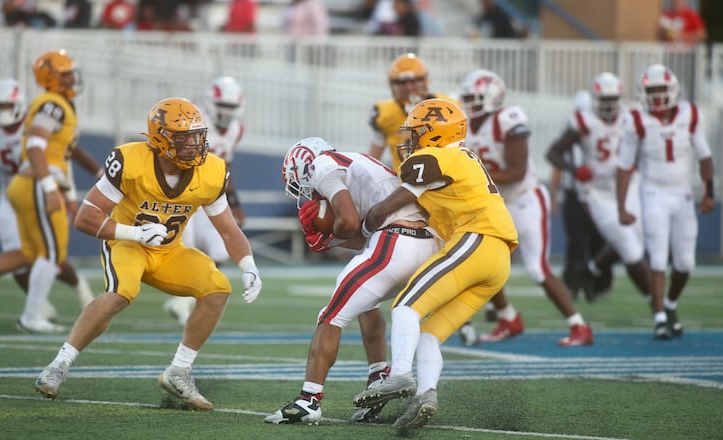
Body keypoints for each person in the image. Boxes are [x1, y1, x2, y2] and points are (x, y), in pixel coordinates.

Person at [33, 97, 263, 409]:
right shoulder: (130, 161)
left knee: (218, 288)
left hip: (169, 251)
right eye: (184, 139)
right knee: (121, 293)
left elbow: (228, 229)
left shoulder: (211, 170)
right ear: (159, 139)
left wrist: (248, 265)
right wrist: (134, 233)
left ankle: (179, 371)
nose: (194, 145)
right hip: (127, 243)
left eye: (197, 136)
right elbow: (86, 217)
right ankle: (59, 364)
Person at [354, 99, 518, 433]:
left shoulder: (437, 156)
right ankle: (426, 395)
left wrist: (368, 221)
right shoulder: (460, 156)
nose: (411, 140)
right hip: (497, 260)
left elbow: (386, 208)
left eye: (416, 133)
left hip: (476, 239)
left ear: (434, 133)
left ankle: (400, 374)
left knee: (405, 307)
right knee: (429, 335)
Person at [263, 137, 439, 425]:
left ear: (305, 167)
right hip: (425, 243)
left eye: (301, 185)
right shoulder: (358, 163)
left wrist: (330, 233)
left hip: (397, 241)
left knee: (330, 316)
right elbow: (362, 232)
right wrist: (333, 238)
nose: (307, 195)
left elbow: (348, 222)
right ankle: (378, 374)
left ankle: (309, 400)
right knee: (365, 303)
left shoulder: (322, 165)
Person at [457, 69, 594, 347]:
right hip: (494, 204)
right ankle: (507, 316)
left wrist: (472, 178)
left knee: (536, 268)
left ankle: (579, 326)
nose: (469, 103)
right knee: (482, 263)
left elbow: (517, 171)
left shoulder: (508, 119)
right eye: (467, 97)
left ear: (493, 98)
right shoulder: (463, 125)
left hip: (525, 199)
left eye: (475, 97)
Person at [0, 78, 96, 320]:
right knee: (28, 258)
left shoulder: (35, 120)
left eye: (8, 107)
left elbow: (68, 152)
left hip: (38, 188)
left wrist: (71, 192)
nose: (4, 112)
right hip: (18, 193)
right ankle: (34, 308)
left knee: (48, 253)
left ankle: (61, 293)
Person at [616, 64, 714, 340]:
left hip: (682, 195)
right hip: (653, 194)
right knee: (658, 257)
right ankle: (659, 317)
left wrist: (709, 193)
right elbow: (624, 166)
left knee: (685, 263)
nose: (657, 97)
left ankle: (670, 304)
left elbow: (705, 156)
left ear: (673, 90)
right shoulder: (637, 121)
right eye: (652, 91)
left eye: (661, 90)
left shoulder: (691, 114)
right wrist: (621, 206)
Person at [0, 50, 89, 333]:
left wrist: (68, 195)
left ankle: (33, 313)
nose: (72, 77)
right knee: (50, 252)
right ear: (51, 77)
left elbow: (59, 155)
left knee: (46, 252)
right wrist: (50, 186)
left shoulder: (58, 103)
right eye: (65, 73)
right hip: (38, 182)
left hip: (37, 181)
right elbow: (37, 146)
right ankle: (31, 315)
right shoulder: (53, 105)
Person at [547, 73, 652, 303]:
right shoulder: (581, 122)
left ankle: (593, 272)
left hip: (628, 187)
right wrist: (574, 172)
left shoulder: (632, 117)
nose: (607, 105)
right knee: (621, 244)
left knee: (635, 242)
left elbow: (648, 145)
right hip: (594, 193)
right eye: (603, 99)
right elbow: (554, 153)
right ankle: (659, 307)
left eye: (612, 98)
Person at [163, 76, 247, 327]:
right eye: (223, 105)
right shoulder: (194, 122)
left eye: (231, 107)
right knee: (184, 249)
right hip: (186, 196)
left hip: (211, 197)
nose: (226, 112)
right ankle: (184, 298)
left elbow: (225, 166)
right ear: (211, 103)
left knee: (220, 250)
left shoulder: (237, 130)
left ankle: (185, 301)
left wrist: (234, 202)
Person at [546, 90, 615, 300]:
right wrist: (554, 193)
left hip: (600, 195)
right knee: (576, 242)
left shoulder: (608, 131)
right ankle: (573, 284)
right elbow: (556, 163)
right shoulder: (572, 133)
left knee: (599, 240)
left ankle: (597, 284)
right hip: (575, 194)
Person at [367, 53, 453, 172]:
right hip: (402, 182)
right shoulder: (384, 113)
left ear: (424, 81)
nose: (408, 87)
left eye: (413, 81)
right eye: (402, 83)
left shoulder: (446, 106)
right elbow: (373, 159)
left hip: (442, 177)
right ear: (393, 85)